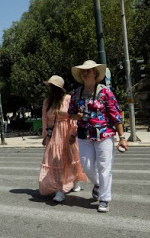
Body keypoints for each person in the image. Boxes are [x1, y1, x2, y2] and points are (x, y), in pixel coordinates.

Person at [68, 60, 130, 213]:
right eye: (83, 71)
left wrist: (122, 137)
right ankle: (97, 184)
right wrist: (78, 115)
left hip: (104, 134)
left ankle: (104, 198)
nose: (85, 73)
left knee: (104, 167)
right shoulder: (76, 93)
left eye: (88, 71)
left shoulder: (105, 92)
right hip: (84, 135)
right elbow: (71, 115)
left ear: (95, 74)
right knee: (87, 166)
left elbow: (116, 115)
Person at [38, 75, 87, 202]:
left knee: (71, 159)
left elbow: (73, 117)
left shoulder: (68, 99)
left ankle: (75, 180)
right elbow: (45, 119)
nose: (49, 88)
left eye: (52, 86)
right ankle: (60, 189)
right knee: (56, 161)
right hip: (53, 134)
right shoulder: (47, 102)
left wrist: (73, 133)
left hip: (66, 132)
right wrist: (45, 136)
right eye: (49, 86)